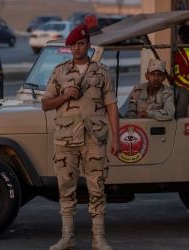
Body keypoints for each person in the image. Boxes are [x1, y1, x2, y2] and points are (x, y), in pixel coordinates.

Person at [42, 23, 119, 250]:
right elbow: (45, 104)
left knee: (97, 187)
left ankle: (99, 239)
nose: (77, 48)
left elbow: (112, 106)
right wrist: (65, 96)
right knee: (66, 188)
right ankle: (67, 238)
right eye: (73, 44)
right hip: (65, 140)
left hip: (94, 139)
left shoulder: (101, 72)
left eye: (80, 43)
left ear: (87, 45)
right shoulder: (60, 71)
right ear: (69, 47)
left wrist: (117, 138)